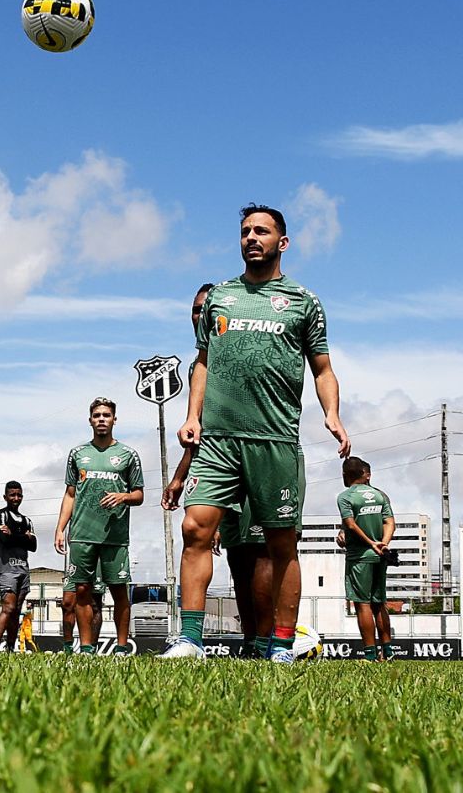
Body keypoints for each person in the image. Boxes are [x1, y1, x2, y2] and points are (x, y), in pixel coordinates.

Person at [163, 204, 350, 662]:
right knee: (194, 529)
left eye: (261, 231)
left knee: (281, 542)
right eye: (246, 231)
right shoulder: (220, 298)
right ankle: (190, 639)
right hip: (219, 441)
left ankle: (282, 643)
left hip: (275, 441)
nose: (252, 237)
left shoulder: (304, 302)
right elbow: (202, 362)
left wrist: (333, 414)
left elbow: (323, 368)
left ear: (281, 243)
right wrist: (192, 417)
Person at [162, 283, 273, 658]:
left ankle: (265, 642)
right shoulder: (198, 365)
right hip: (215, 460)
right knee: (201, 534)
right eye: (194, 310)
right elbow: (198, 429)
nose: (199, 316)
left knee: (255, 554)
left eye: (205, 310)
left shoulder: (244, 348)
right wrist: (180, 476)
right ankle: (192, 638)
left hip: (258, 456)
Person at [55, 397, 144, 656]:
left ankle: (122, 646)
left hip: (115, 536)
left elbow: (139, 495)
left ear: (115, 419)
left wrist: (124, 496)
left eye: (106, 415)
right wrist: (61, 528)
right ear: (90, 420)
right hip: (82, 534)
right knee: (82, 589)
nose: (102, 419)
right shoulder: (77, 454)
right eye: (97, 415)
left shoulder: (128, 455)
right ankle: (86, 647)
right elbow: (70, 494)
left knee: (118, 591)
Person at [337, 456, 396, 661]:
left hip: (359, 556)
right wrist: (383, 544)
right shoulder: (380, 496)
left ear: (345, 475)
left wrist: (371, 543)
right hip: (380, 555)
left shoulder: (345, 497)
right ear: (366, 474)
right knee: (379, 603)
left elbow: (351, 524)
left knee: (362, 604)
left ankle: (370, 654)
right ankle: (387, 652)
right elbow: (390, 522)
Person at [0, 481, 36, 652]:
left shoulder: (27, 520)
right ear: (5, 497)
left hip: (23, 569)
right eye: (12, 495)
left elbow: (34, 545)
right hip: (7, 569)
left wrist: (15, 535)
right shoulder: (0, 515)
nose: (16, 498)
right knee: (8, 608)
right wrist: (24, 537)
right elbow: (4, 540)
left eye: (19, 495)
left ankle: (10, 648)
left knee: (16, 610)